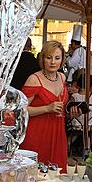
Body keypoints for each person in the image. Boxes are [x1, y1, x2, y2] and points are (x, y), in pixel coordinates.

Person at [19, 41, 68, 170]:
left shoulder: (62, 77)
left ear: (62, 60)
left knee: (56, 174)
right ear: (43, 59)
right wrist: (47, 108)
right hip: (37, 133)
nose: (53, 62)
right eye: (49, 57)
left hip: (58, 133)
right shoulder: (34, 79)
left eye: (57, 58)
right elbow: (21, 110)